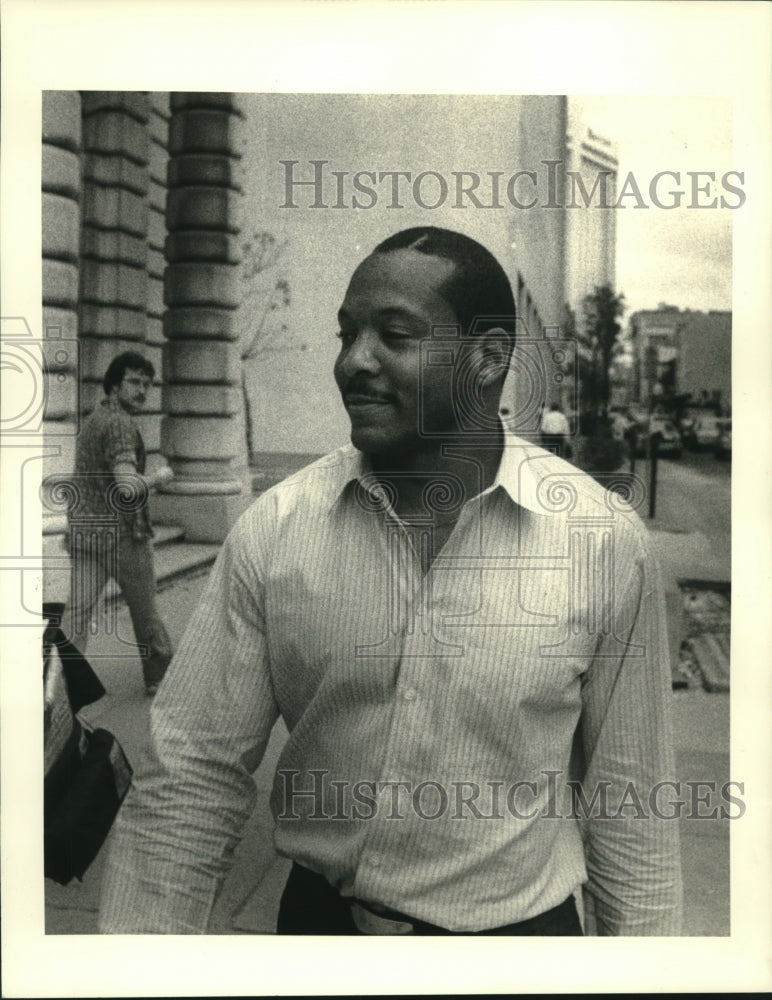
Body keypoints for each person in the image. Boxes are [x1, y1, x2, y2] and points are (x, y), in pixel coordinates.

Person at [99, 228, 681, 935]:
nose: (354, 362)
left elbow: (631, 806)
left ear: (489, 360)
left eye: (396, 336)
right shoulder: (279, 528)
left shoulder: (601, 541)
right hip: (320, 936)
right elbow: (189, 781)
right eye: (347, 335)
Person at [63, 351, 174, 697]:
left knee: (76, 615)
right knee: (146, 613)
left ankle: (60, 684)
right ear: (114, 384)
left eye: (147, 383)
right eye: (134, 381)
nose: (142, 390)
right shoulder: (121, 424)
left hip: (87, 532)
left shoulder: (96, 418)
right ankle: (161, 678)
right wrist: (158, 477)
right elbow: (126, 486)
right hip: (125, 536)